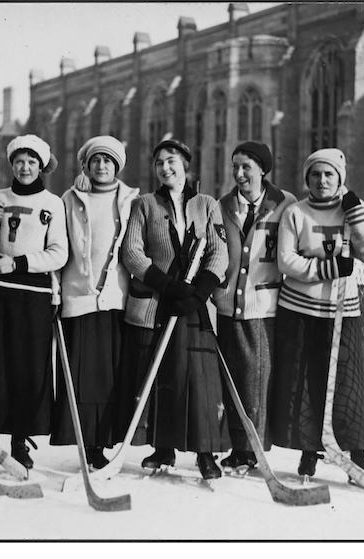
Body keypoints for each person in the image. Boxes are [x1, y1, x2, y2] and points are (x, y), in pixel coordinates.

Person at [270, 147, 364, 484]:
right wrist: (328, 267)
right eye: (316, 174)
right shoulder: (296, 213)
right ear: (307, 178)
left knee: (348, 382)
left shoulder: (353, 209)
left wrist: (357, 214)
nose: (322, 181)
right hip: (300, 310)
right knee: (307, 379)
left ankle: (358, 456)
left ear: (340, 179)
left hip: (343, 310)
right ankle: (310, 452)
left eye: (329, 175)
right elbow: (286, 262)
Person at [119, 138, 230, 480]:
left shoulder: (207, 204)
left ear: (185, 166)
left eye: (172, 161)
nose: (165, 168)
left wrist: (198, 294)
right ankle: (163, 447)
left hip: (193, 306)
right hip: (158, 303)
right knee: (163, 376)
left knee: (200, 380)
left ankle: (205, 453)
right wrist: (168, 286)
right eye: (159, 163)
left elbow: (218, 252)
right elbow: (133, 254)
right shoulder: (144, 205)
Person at [0, 134, 68, 470]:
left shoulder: (52, 202)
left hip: (33, 295)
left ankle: (19, 441)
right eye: (19, 161)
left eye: (31, 162)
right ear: (11, 164)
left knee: (27, 370)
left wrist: (18, 263)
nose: (25, 167)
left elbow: (58, 253)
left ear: (41, 166)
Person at [50, 136, 139, 469]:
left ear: (118, 166)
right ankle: (87, 445)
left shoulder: (132, 199)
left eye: (108, 161)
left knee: (111, 376)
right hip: (79, 299)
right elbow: (59, 248)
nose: (102, 166)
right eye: (96, 160)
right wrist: (56, 290)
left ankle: (104, 441)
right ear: (85, 165)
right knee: (83, 377)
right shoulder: (70, 199)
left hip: (116, 299)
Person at [212, 142, 296, 471]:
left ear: (262, 169)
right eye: (235, 166)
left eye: (246, 166)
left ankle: (253, 449)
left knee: (256, 381)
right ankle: (239, 446)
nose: (239, 173)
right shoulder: (223, 205)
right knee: (233, 379)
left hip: (263, 307)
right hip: (228, 305)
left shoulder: (285, 203)